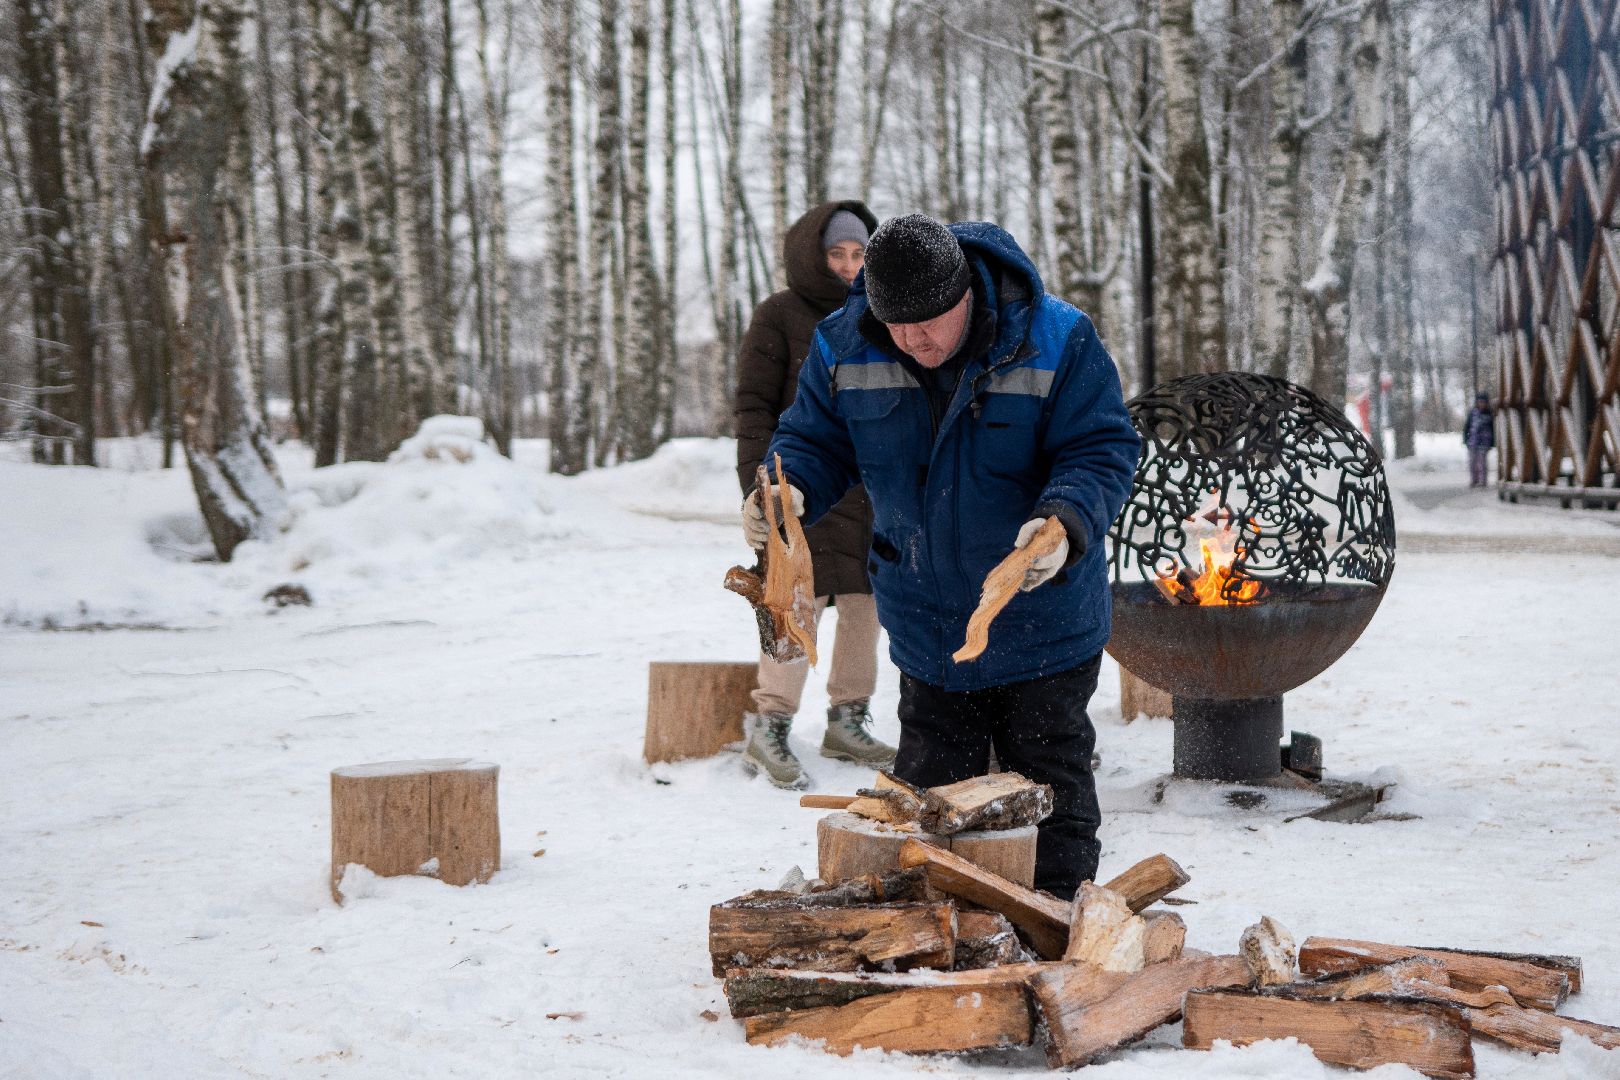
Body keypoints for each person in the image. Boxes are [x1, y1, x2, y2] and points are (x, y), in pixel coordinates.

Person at [743, 213, 1141, 898]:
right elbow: (812, 438)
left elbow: (1101, 448)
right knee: (933, 813)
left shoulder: (1057, 338)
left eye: (928, 322)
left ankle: (1054, 933)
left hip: (1042, 620)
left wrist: (1065, 520)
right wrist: (786, 487)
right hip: (926, 626)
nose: (912, 340)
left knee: (1045, 801)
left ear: (967, 294)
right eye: (895, 324)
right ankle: (953, 951)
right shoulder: (844, 342)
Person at [735, 201, 896, 790]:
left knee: (864, 609)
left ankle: (847, 721)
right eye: (838, 253)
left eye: (860, 254)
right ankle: (770, 724)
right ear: (812, 254)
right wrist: (761, 484)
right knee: (792, 604)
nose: (850, 266)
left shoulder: (885, 313)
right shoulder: (779, 315)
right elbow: (754, 407)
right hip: (801, 485)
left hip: (870, 491)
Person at [1464, 392, 1495, 488]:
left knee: (1482, 462)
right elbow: (1467, 427)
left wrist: (1492, 442)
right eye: (1480, 402)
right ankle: (1474, 480)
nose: (1481, 404)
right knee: (1472, 462)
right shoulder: (1473, 413)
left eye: (1483, 402)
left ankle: (1483, 481)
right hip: (1473, 441)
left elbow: (1492, 428)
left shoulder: (1489, 414)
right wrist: (1466, 439)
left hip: (1484, 441)